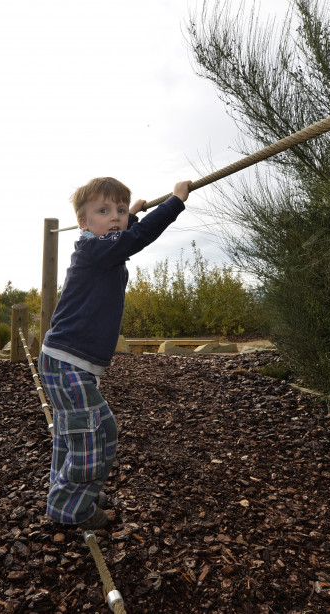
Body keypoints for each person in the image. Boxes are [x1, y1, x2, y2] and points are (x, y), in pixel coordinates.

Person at [39, 176, 191, 529]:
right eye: (104, 210)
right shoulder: (93, 249)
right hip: (66, 362)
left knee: (73, 434)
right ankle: (69, 508)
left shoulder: (102, 249)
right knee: (100, 431)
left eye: (120, 210)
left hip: (70, 362)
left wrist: (133, 214)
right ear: (83, 222)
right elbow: (131, 240)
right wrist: (174, 203)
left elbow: (124, 235)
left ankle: (75, 493)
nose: (115, 216)